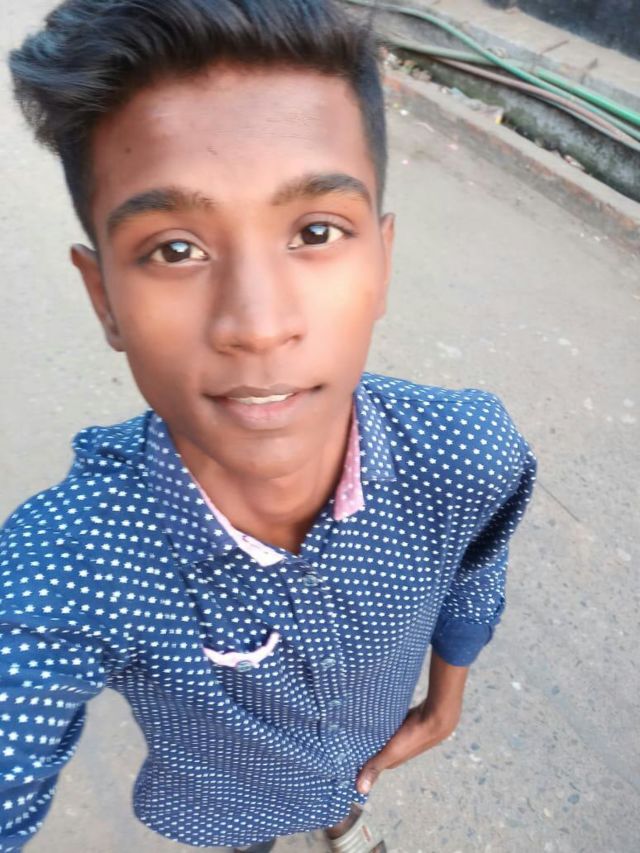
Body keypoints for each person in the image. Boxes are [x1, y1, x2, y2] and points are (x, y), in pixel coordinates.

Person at [0, 1, 537, 851]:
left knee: (346, 794)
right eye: (175, 249)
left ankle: (341, 811)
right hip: (226, 809)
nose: (256, 324)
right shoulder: (68, 565)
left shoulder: (463, 452)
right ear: (104, 298)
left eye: (316, 232)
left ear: (382, 262)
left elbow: (479, 559)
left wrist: (446, 698)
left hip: (363, 751)